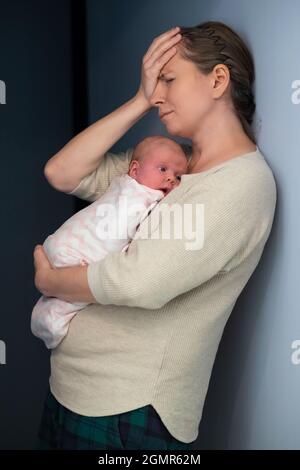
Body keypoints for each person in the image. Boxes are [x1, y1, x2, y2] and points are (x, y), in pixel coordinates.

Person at [33, 21, 277, 450]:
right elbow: (62, 172)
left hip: (129, 413)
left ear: (217, 79)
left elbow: (137, 282)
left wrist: (51, 282)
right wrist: (139, 100)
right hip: (72, 388)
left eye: (168, 79)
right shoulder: (168, 165)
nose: (158, 94)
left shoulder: (239, 184)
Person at [31, 137, 188, 349]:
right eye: (162, 169)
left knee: (66, 295)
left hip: (62, 243)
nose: (171, 179)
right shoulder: (143, 196)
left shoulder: (121, 185)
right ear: (134, 170)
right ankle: (49, 324)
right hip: (80, 252)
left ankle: (47, 315)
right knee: (72, 299)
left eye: (178, 176)